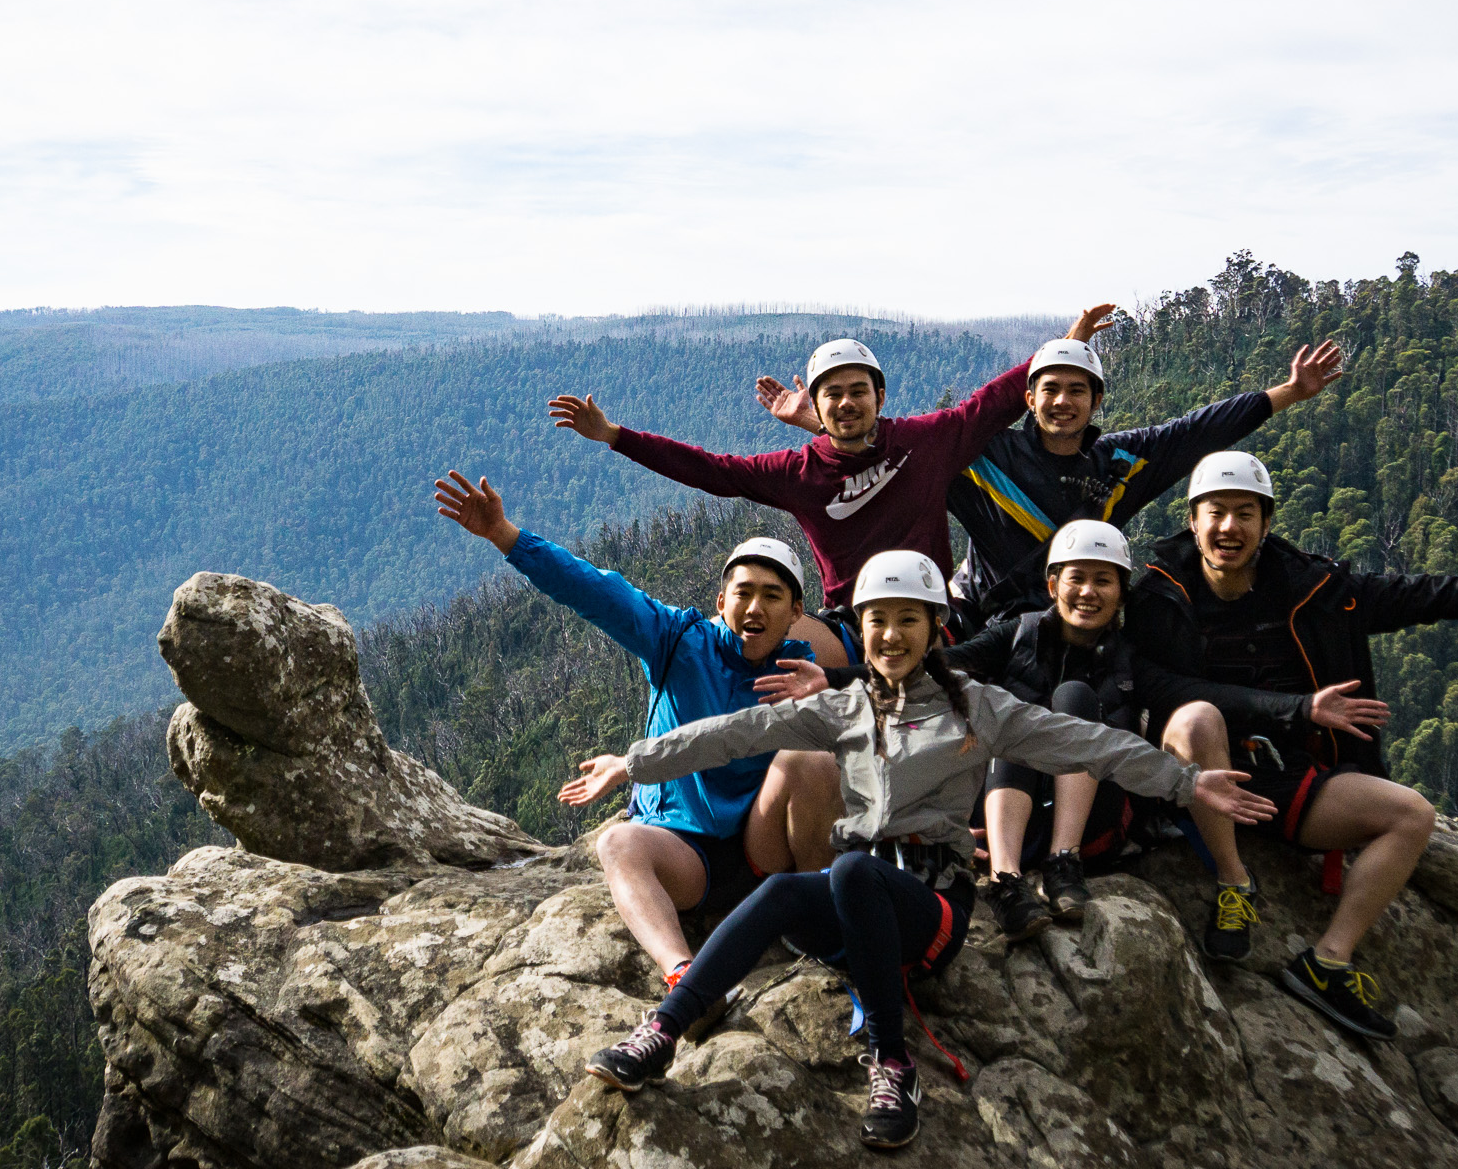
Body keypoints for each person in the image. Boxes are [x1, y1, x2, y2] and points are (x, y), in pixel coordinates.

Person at [562, 549, 1276, 1151]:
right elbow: (733, 733)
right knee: (783, 894)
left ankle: (892, 1060)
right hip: (857, 903)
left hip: (931, 911)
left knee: (849, 872)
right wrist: (636, 762)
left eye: (909, 620)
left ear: (936, 628)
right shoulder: (846, 708)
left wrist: (1184, 781)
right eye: (878, 621)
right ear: (862, 631)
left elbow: (1084, 741)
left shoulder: (977, 706)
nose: (892, 635)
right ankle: (663, 1029)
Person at [1129, 451, 1458, 1041]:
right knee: (1195, 719)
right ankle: (1233, 882)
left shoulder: (1314, 588)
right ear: (1191, 521)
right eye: (1215, 512)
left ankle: (1328, 961)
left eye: (1245, 513)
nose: (1229, 527)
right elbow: (1157, 685)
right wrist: (1297, 707)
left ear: (1266, 524)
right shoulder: (1157, 593)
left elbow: (1411, 597)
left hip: (1289, 775)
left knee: (1411, 815)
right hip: (1200, 776)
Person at [433, 470, 843, 990]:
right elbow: (596, 591)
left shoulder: (803, 675)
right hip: (684, 849)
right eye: (743, 593)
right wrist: (505, 537)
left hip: (763, 850)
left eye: (772, 595)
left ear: (796, 612)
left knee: (814, 760)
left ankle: (823, 916)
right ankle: (684, 975)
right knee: (619, 843)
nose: (755, 608)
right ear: (722, 602)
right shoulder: (677, 641)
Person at [546, 304, 1118, 666]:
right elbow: (712, 471)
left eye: (858, 391)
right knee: (755, 636)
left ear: (880, 397)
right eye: (833, 394)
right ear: (816, 406)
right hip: (848, 621)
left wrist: (1060, 349)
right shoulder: (797, 474)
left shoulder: (925, 442)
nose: (847, 403)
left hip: (931, 615)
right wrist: (617, 436)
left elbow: (990, 405)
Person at [759, 336, 1346, 631]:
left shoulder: (1121, 465)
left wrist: (1288, 393)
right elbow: (898, 453)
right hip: (991, 624)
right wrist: (822, 424)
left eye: (1078, 391)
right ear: (1029, 398)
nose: (1063, 402)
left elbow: (1195, 432)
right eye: (1051, 389)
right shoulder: (981, 460)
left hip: (1084, 620)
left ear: (1095, 402)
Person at [944, 519, 1245, 940]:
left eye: (1103, 580)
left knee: (1074, 697)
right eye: (1076, 579)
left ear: (1121, 594)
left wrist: (1304, 707)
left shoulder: (1130, 663)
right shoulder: (1017, 636)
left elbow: (1206, 693)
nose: (1088, 592)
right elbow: (936, 669)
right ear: (1053, 586)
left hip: (1091, 830)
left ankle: (1062, 862)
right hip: (1005, 818)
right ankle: (1005, 879)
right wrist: (838, 679)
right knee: (1013, 713)